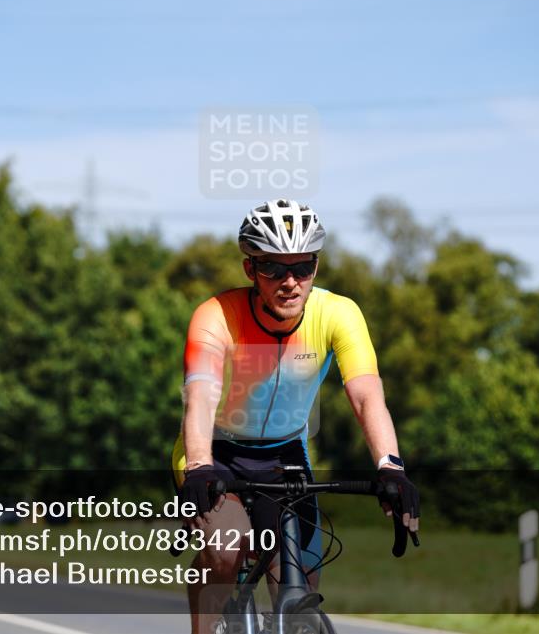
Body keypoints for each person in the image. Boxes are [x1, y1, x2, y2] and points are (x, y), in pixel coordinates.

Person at [172, 199, 420, 634]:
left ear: (316, 267)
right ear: (251, 269)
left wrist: (391, 467)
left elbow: (365, 394)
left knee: (299, 582)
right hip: (215, 449)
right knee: (226, 547)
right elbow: (201, 396)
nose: (290, 282)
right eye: (273, 269)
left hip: (285, 453)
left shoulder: (338, 313)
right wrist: (198, 467)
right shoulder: (216, 316)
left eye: (302, 268)